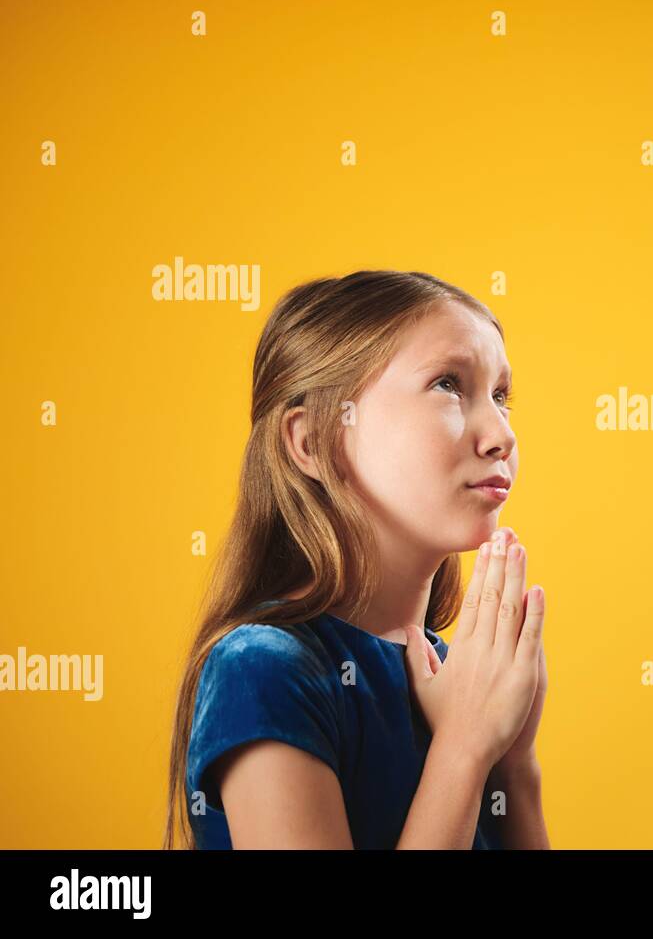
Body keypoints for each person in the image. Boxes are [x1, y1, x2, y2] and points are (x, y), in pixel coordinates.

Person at [161, 270, 550, 849]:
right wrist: (465, 748)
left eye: (500, 396)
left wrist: (514, 759)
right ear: (314, 441)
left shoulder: (458, 679)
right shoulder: (263, 667)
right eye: (448, 384)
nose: (501, 435)